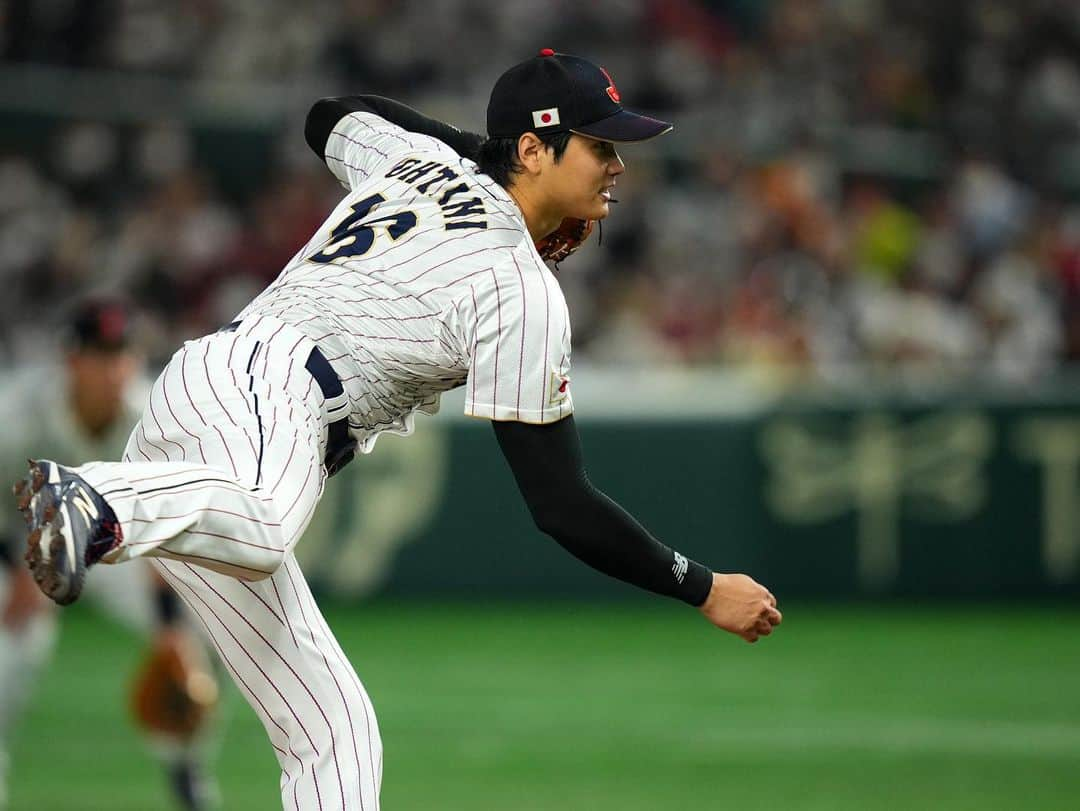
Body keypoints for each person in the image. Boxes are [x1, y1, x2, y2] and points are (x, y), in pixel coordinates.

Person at [14, 50, 782, 808]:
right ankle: (96, 498)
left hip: (215, 399)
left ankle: (107, 500)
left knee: (336, 731)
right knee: (267, 523)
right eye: (599, 144)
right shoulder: (520, 290)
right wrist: (702, 586)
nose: (618, 164)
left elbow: (329, 119)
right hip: (269, 394)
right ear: (532, 149)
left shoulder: (416, 157)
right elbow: (560, 502)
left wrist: (469, 155)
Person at [0, 298, 219, 809]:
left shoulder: (149, 417)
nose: (115, 368)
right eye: (102, 354)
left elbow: (168, 529)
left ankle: (185, 767)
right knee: (10, 658)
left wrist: (169, 628)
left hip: (118, 548)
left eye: (122, 353)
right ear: (73, 361)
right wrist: (19, 571)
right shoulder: (16, 418)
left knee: (199, 634)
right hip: (27, 544)